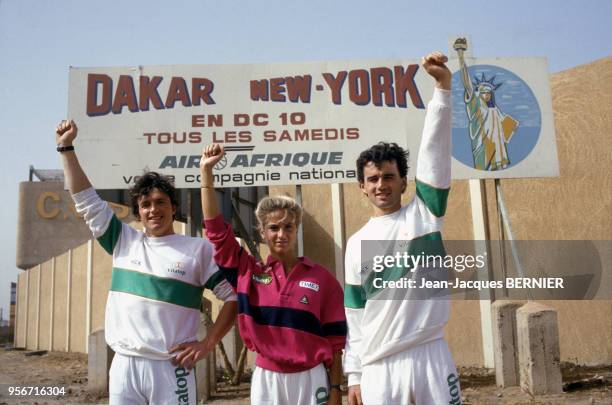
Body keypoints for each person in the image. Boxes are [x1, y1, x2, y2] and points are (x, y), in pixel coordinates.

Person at [55, 120, 238, 405]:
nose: (153, 210)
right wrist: (66, 148)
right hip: (124, 366)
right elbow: (87, 201)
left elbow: (232, 298)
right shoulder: (122, 240)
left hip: (172, 367)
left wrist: (208, 343)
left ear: (173, 207)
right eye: (146, 204)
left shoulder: (197, 249)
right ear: (139, 212)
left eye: (160, 202)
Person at [343, 52, 462, 405]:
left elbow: (435, 154)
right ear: (362, 187)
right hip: (379, 367)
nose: (381, 184)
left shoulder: (425, 215)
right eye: (373, 179)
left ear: (404, 182)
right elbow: (355, 313)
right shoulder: (356, 243)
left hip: (430, 354)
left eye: (389, 177)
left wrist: (442, 90)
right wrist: (354, 374)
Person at [199, 145, 347, 405]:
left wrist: (335, 389)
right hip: (267, 380)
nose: (281, 234)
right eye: (274, 228)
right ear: (263, 233)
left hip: (312, 379)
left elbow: (335, 342)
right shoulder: (248, 272)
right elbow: (216, 232)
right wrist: (206, 174)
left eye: (288, 226)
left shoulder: (323, 280)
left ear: (296, 228)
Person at [454, 38, 518, 170]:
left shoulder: (494, 109)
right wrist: (460, 54)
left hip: (497, 150)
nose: (487, 95)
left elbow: (505, 123)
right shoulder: (475, 103)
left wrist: (512, 126)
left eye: (489, 93)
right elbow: (466, 81)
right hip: (482, 147)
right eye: (483, 92)